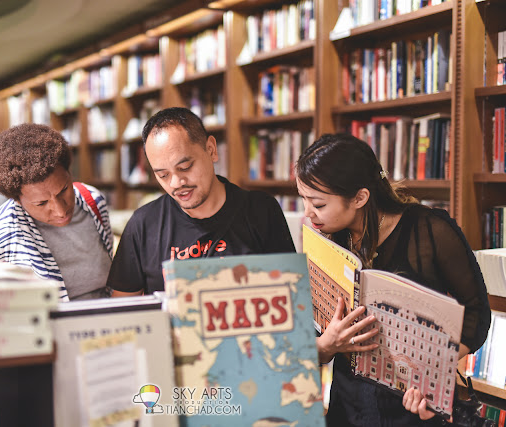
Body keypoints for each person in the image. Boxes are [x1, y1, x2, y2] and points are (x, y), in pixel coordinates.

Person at [295, 133, 491, 426]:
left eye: (318, 204)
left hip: (411, 407)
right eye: (304, 200)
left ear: (360, 197)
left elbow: (477, 313)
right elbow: (314, 328)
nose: (308, 213)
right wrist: (327, 343)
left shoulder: (430, 229)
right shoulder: (329, 240)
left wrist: (435, 371)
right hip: (346, 407)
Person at [107, 107, 295, 296]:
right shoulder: (143, 224)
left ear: (211, 150)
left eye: (185, 167)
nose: (176, 183)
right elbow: (123, 311)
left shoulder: (261, 211)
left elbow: (292, 293)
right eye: (163, 175)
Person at [0, 123, 113, 301]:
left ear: (70, 173)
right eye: (41, 203)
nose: (60, 210)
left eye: (64, 190)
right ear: (17, 199)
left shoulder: (93, 201)